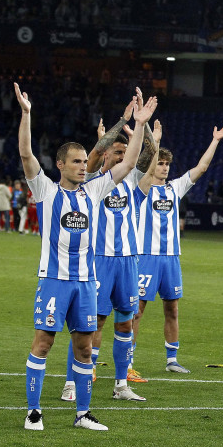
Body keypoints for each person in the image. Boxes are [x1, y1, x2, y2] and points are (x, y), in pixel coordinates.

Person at [17, 82, 150, 431]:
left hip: (87, 283)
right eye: (75, 162)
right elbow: (26, 156)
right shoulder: (45, 190)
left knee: (85, 349)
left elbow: (131, 162)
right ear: (60, 164)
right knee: (44, 343)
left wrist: (141, 122)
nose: (81, 166)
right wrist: (26, 115)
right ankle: (34, 412)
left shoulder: (94, 190)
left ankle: (82, 413)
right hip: (55, 280)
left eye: (82, 161)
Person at [60, 96, 159, 403]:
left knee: (126, 322)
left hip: (129, 262)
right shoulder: (91, 183)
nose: (121, 157)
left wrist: (141, 126)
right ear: (106, 156)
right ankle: (72, 383)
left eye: (123, 153)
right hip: (99, 262)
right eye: (116, 152)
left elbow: (149, 154)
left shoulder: (135, 186)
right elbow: (96, 151)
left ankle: (120, 385)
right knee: (91, 324)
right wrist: (121, 123)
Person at [131, 120, 223, 375]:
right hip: (147, 257)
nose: (163, 168)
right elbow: (143, 164)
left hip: (171, 258)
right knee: (138, 311)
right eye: (160, 164)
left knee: (172, 308)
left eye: (166, 164)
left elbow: (202, 167)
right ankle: (127, 361)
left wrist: (215, 140)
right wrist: (156, 142)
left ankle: (172, 359)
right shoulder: (139, 189)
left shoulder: (175, 188)